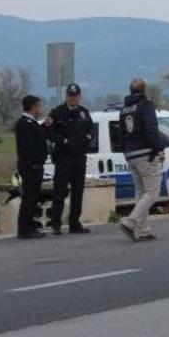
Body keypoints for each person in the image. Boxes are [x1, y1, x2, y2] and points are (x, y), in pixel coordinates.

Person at [118, 78, 163, 242]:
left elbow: (121, 134)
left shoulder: (124, 109)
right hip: (145, 152)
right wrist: (158, 148)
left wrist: (125, 151)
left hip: (131, 154)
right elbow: (151, 128)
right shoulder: (146, 105)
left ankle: (143, 230)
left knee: (141, 191)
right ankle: (131, 221)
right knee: (152, 192)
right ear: (144, 90)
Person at [47, 83, 95, 235]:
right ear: (66, 96)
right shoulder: (57, 112)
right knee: (59, 192)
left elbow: (91, 130)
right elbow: (49, 133)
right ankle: (56, 224)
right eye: (70, 95)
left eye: (75, 96)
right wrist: (63, 141)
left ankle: (75, 223)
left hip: (79, 157)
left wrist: (87, 137)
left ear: (79, 97)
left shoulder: (84, 112)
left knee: (78, 192)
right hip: (63, 157)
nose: (73, 98)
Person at [15, 95, 52, 239]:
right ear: (33, 107)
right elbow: (28, 146)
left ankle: (30, 225)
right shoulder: (24, 123)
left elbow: (38, 135)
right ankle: (24, 229)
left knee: (33, 197)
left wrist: (44, 126)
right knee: (29, 198)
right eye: (39, 106)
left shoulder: (31, 123)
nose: (40, 109)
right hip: (30, 166)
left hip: (36, 166)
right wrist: (34, 162)